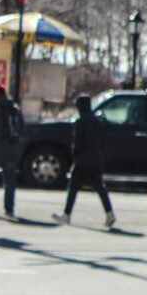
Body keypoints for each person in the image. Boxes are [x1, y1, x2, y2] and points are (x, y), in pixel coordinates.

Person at [52, 96, 115, 227]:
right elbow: (104, 141)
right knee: (100, 187)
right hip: (96, 158)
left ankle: (67, 214)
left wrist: (74, 157)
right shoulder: (98, 121)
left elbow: (77, 143)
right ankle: (110, 213)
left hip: (82, 160)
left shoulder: (80, 122)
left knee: (73, 188)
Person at [0, 84, 24, 218]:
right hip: (12, 150)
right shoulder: (15, 109)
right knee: (10, 181)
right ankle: (9, 209)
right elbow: (22, 129)